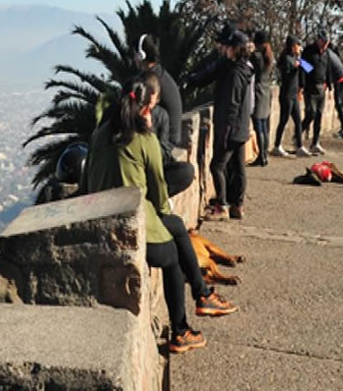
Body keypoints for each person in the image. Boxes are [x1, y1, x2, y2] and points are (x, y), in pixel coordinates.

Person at [80, 76, 238, 354]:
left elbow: (86, 185)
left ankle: (202, 296)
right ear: (144, 109)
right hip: (130, 227)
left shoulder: (98, 134)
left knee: (176, 227)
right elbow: (158, 193)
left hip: (101, 220)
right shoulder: (143, 139)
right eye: (152, 107)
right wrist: (164, 212)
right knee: (174, 253)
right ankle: (182, 329)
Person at [185, 30, 254, 221]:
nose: (225, 50)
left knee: (217, 165)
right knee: (239, 168)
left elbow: (231, 104)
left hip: (231, 128)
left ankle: (222, 205)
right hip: (241, 127)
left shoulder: (235, 74)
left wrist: (225, 132)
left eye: (228, 47)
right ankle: (238, 205)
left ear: (234, 49)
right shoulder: (243, 69)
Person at [141, 71, 195, 196]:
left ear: (158, 99)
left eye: (151, 102)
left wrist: (149, 133)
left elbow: (164, 153)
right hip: (135, 170)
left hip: (155, 169)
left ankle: (158, 196)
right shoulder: (130, 113)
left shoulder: (161, 116)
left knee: (186, 171)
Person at [272, 35, 304, 157]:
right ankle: (277, 145)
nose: (300, 47)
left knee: (298, 120)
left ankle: (300, 146)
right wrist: (296, 68)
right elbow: (286, 77)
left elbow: (309, 69)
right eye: (298, 45)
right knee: (284, 120)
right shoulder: (286, 59)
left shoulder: (296, 58)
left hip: (294, 94)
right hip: (286, 94)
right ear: (292, 46)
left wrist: (301, 62)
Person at [298, 33, 329, 155]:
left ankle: (315, 142)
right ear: (318, 41)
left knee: (319, 115)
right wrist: (302, 85)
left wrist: (328, 82)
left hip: (322, 86)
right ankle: (298, 136)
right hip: (310, 86)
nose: (325, 45)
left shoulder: (326, 53)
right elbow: (303, 67)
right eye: (323, 42)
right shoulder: (309, 51)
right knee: (311, 113)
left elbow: (327, 68)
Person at [248, 30, 273, 166]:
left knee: (259, 127)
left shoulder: (256, 57)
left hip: (257, 92)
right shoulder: (269, 56)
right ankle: (265, 155)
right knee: (264, 126)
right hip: (266, 92)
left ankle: (261, 156)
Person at [323, 38, 343, 139]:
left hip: (340, 80)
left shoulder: (326, 54)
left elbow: (327, 71)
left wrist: (327, 85)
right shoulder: (335, 54)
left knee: (339, 104)